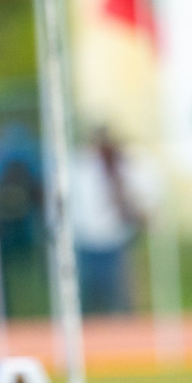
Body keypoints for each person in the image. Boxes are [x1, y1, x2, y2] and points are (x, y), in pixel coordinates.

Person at [70, 126, 153, 315]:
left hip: (118, 241)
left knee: (121, 298)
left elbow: (137, 203)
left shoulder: (124, 166)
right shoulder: (80, 166)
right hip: (86, 241)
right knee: (87, 299)